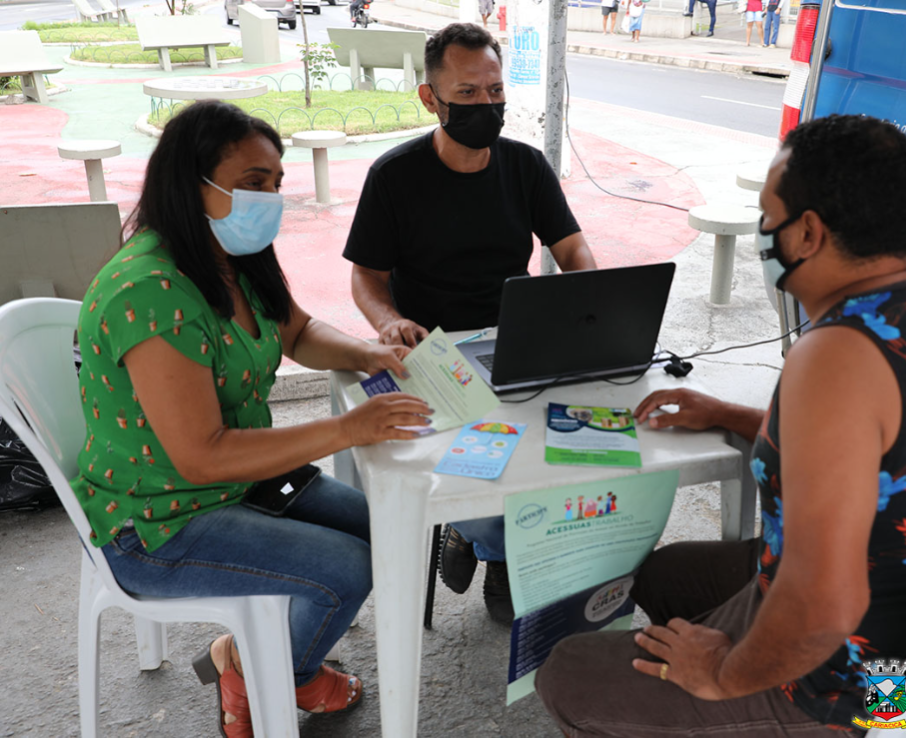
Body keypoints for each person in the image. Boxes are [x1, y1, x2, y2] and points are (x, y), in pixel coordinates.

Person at [535, 114, 906, 737]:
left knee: (568, 673)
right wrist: (725, 414)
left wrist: (720, 673)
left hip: (876, 689)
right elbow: (863, 448)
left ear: (808, 232)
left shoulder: (834, 356)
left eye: (768, 217)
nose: (763, 234)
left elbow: (825, 605)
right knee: (661, 575)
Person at [72, 100, 433, 738]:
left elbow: (297, 331)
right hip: (157, 519)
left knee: (392, 529)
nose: (270, 200)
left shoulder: (229, 256)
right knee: (346, 568)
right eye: (253, 183)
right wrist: (349, 429)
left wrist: (369, 353)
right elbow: (201, 455)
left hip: (241, 482)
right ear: (191, 185)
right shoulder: (150, 289)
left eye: (276, 183)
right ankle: (266, 670)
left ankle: (258, 658)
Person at [343, 23, 597, 626]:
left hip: (518, 340)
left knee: (575, 446)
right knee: (458, 462)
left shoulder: (525, 166)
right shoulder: (394, 175)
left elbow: (573, 249)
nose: (486, 105)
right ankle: (495, 546)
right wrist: (389, 321)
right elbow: (366, 277)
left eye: (495, 91)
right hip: (429, 354)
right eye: (467, 93)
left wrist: (585, 302)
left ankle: (479, 534)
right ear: (430, 99)